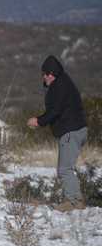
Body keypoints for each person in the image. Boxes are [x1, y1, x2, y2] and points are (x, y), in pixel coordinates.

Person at [27, 55, 88, 211]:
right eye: (43, 74)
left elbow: (55, 111)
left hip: (71, 131)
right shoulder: (61, 82)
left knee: (65, 169)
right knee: (65, 168)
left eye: (46, 74)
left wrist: (38, 121)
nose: (44, 77)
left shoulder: (60, 86)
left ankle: (73, 202)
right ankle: (76, 200)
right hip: (74, 130)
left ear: (52, 74)